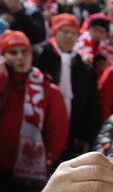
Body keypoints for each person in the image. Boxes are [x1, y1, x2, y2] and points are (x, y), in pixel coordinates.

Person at [0, 30, 69, 192]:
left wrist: (46, 162)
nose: (20, 57)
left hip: (30, 174)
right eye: (13, 52)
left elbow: (58, 131)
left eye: (24, 51)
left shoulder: (48, 90)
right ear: (2, 57)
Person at [33, 13, 101, 164]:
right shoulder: (38, 56)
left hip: (72, 133)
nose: (69, 36)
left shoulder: (85, 68)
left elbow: (92, 106)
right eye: (65, 31)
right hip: (39, 130)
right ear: (55, 32)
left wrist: (86, 137)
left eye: (74, 33)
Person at [76, 13, 113, 78]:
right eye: (95, 29)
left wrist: (107, 69)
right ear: (89, 29)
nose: (98, 33)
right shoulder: (77, 45)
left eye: (101, 31)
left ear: (106, 34)